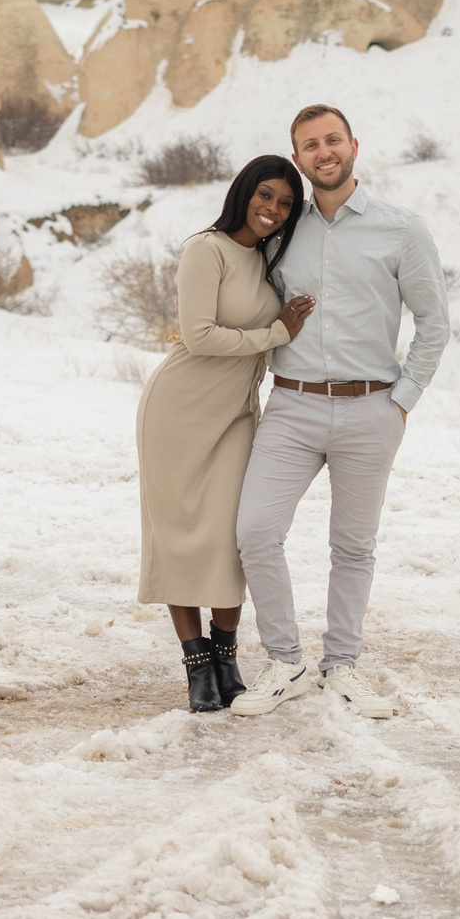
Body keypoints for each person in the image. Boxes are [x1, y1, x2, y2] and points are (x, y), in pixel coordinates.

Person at [231, 103, 449, 720]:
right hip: (292, 406)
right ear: (297, 158)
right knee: (255, 532)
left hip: (371, 408)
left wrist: (402, 400)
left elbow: (434, 322)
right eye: (310, 145)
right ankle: (286, 662)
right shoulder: (281, 230)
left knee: (353, 546)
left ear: (353, 146)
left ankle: (343, 664)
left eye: (332, 140)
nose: (323, 152)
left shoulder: (401, 229)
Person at [136, 154, 315, 712]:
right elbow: (199, 336)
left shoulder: (268, 260)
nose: (273, 209)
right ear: (244, 193)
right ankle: (198, 667)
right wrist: (275, 333)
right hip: (178, 410)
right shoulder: (205, 249)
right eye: (265, 195)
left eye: (285, 203)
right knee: (179, 534)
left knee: (229, 537)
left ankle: (227, 656)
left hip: (236, 414)